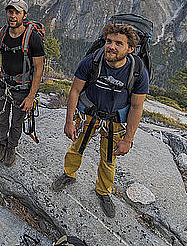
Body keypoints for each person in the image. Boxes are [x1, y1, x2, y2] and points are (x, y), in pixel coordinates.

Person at [51, 22, 149, 218]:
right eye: (109, 41)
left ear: (130, 49)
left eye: (118, 43)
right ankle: (69, 174)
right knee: (76, 147)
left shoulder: (138, 72)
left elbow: (137, 107)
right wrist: (69, 121)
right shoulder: (91, 61)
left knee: (108, 158)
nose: (111, 46)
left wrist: (128, 139)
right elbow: (75, 91)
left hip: (115, 120)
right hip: (89, 113)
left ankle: (103, 191)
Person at [0, 0, 45, 166]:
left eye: (17, 13)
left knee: (17, 120)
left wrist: (31, 96)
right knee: (2, 117)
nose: (13, 16)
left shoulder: (33, 38)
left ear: (24, 15)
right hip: (2, 85)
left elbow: (39, 68)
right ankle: (2, 144)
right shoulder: (1, 32)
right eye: (10, 12)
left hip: (22, 88)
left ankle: (11, 146)